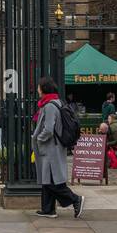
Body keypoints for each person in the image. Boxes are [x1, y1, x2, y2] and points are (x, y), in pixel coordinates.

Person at [32, 77, 84, 218]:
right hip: (54, 147)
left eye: (38, 87)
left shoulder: (49, 106)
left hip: (50, 148)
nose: (37, 90)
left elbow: (48, 129)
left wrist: (39, 140)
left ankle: (75, 199)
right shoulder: (57, 101)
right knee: (47, 179)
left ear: (44, 89)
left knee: (52, 181)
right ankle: (48, 209)